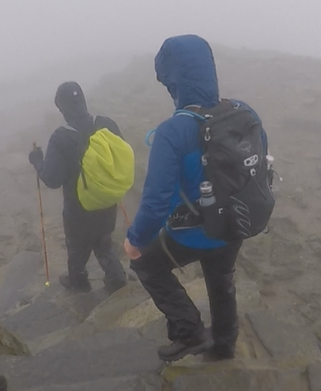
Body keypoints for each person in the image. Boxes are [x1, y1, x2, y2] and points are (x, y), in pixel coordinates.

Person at [124, 35, 268, 362]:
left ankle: (190, 333)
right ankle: (224, 346)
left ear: (174, 80)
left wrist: (135, 239)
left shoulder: (173, 132)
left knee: (146, 263)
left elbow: (157, 201)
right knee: (221, 280)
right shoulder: (244, 111)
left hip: (193, 233)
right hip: (236, 221)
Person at [29, 81, 128, 293]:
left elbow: (52, 179)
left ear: (62, 107)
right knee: (104, 240)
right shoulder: (106, 124)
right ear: (82, 101)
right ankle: (116, 276)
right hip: (107, 198)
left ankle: (79, 281)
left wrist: (38, 161)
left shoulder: (61, 137)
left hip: (78, 207)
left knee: (77, 246)